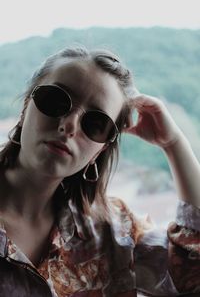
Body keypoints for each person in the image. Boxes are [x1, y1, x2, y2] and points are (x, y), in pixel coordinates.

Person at [0, 46, 199, 297]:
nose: (70, 125)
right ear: (26, 107)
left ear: (100, 150)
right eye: (56, 101)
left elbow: (193, 270)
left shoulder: (111, 233)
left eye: (95, 123)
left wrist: (173, 144)